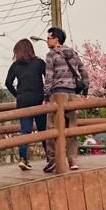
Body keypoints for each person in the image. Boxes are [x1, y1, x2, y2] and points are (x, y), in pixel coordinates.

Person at [43, 26, 89, 173]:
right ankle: (73, 160)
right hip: (72, 95)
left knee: (51, 128)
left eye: (49, 37)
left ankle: (53, 160)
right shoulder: (73, 53)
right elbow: (83, 72)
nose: (47, 40)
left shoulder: (51, 55)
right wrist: (85, 89)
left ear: (56, 39)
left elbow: (49, 77)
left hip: (57, 95)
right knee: (71, 128)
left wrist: (45, 95)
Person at [5, 38, 47, 171]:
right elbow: (48, 78)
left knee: (25, 131)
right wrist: (46, 94)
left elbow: (8, 83)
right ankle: (50, 157)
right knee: (43, 130)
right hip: (38, 99)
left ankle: (23, 159)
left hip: (23, 101)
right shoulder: (39, 63)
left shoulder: (15, 65)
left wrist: (18, 94)